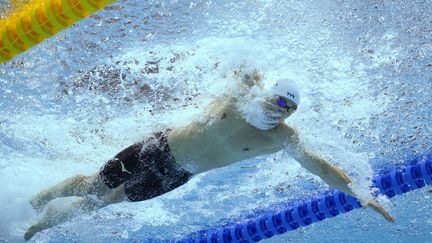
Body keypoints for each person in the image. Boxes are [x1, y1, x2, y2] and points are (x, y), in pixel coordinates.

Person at [25, 71, 394, 240]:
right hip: (158, 147)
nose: (279, 111)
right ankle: (36, 200)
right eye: (277, 100)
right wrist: (247, 72)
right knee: (93, 185)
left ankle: (38, 227)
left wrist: (363, 193)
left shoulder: (282, 139)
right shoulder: (236, 101)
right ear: (267, 95)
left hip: (176, 173)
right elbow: (240, 71)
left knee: (105, 202)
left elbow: (321, 168)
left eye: (288, 109)